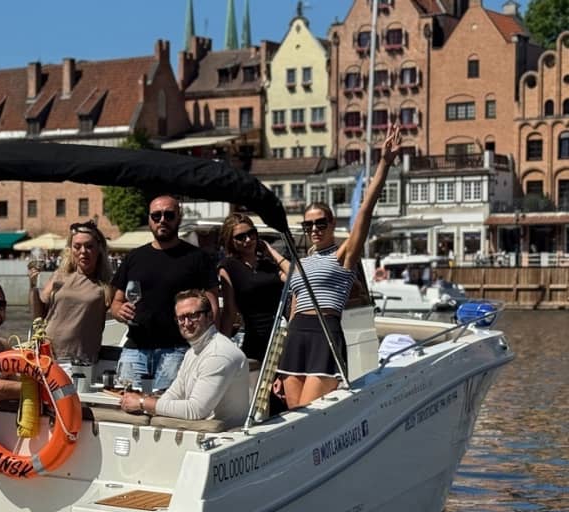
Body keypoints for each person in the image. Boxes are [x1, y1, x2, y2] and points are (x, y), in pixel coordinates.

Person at [277, 123, 403, 409]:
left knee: (308, 415)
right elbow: (294, 307)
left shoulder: (343, 255)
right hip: (296, 335)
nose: (314, 229)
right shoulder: (302, 262)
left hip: (325, 333)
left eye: (321, 223)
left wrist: (384, 162)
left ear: (332, 224)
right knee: (291, 415)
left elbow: (365, 211)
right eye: (308, 224)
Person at [110, 195, 218, 391]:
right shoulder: (134, 257)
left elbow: (212, 305)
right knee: (125, 405)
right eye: (156, 215)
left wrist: (207, 345)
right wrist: (119, 311)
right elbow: (115, 302)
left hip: (177, 349)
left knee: (167, 411)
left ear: (179, 217)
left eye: (169, 215)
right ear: (149, 219)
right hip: (135, 347)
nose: (162, 220)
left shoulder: (197, 258)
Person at [120, 289, 248, 423]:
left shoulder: (219, 354)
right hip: (200, 430)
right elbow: (175, 393)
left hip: (224, 435)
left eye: (193, 316)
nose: (186, 323)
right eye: (181, 318)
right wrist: (147, 405)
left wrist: (142, 403)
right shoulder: (192, 351)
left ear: (210, 316)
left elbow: (196, 410)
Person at [27, 220, 112, 364]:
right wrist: (32, 285)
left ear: (99, 249)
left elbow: (119, 313)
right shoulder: (59, 276)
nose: (83, 251)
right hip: (47, 354)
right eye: (77, 246)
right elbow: (38, 316)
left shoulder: (107, 284)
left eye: (89, 246)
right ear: (70, 250)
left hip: (80, 360)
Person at [217, 212, 290, 361]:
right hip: (256, 338)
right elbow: (229, 311)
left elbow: (297, 277)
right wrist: (220, 348)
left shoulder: (267, 264)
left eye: (252, 233)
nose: (248, 239)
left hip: (283, 334)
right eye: (240, 237)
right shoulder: (228, 267)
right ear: (231, 241)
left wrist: (271, 251)